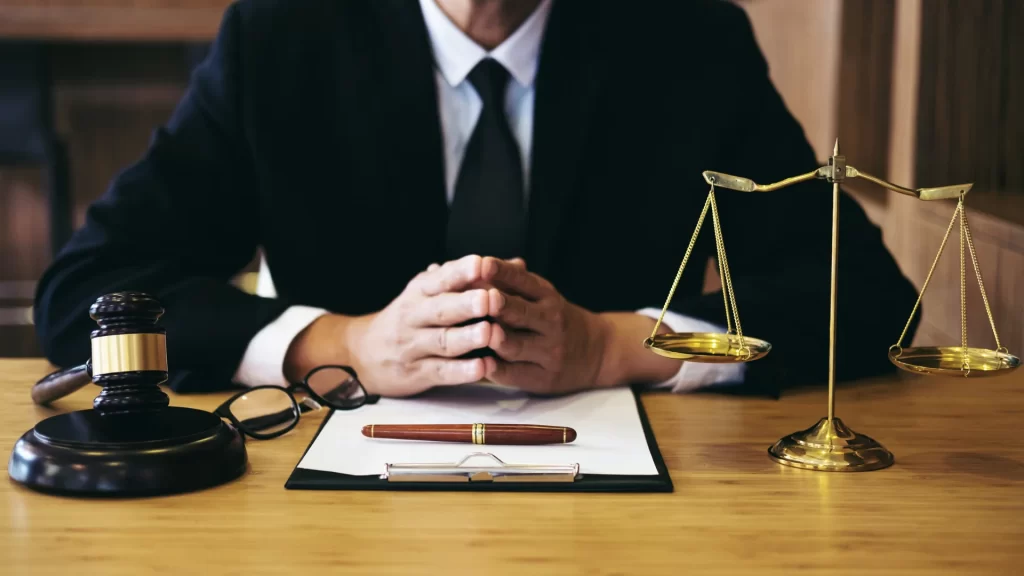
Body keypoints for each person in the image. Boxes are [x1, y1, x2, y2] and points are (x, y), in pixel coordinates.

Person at [33, 0, 919, 398]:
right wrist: (342, 343)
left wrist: (618, 344)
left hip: (640, 518)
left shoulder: (687, 38)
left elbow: (871, 299)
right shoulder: (281, 35)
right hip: (335, 515)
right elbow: (87, 291)